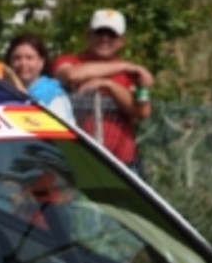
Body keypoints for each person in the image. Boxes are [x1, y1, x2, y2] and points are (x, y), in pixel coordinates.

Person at [53, 9, 155, 173]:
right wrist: (125, 66)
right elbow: (71, 75)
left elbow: (142, 111)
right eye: (99, 33)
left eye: (111, 35)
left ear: (121, 41)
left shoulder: (128, 75)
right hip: (79, 157)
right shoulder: (69, 61)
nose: (104, 39)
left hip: (122, 161)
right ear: (89, 35)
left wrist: (108, 84)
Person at [3, 33, 73, 120]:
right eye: (17, 58)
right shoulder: (4, 92)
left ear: (41, 62)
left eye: (29, 58)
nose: (23, 63)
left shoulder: (53, 96)